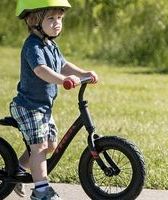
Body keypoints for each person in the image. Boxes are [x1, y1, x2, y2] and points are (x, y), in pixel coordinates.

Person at [10, 0, 98, 199]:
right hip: (28, 106)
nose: (57, 22)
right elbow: (42, 70)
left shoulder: (51, 45)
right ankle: (41, 190)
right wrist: (63, 80)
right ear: (34, 21)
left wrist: (84, 73)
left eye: (60, 18)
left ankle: (18, 169)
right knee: (39, 146)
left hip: (43, 107)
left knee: (50, 145)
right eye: (51, 18)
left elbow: (63, 65)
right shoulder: (32, 46)